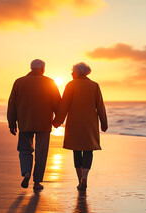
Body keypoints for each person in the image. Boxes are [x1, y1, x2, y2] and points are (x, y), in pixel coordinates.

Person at [53, 62, 108, 191]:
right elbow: (100, 106)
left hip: (74, 122)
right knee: (88, 150)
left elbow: (64, 105)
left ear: (77, 72)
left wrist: (57, 122)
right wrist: (104, 123)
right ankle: (85, 177)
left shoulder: (71, 85)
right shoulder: (94, 85)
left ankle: (79, 180)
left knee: (76, 150)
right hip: (90, 123)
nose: (71, 74)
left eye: (72, 72)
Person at [7, 59, 61, 189]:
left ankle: (26, 173)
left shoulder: (19, 82)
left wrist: (12, 123)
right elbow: (58, 104)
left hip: (25, 123)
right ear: (43, 69)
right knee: (41, 153)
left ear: (31, 68)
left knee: (25, 149)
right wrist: (57, 121)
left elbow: (12, 104)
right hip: (44, 123)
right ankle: (37, 182)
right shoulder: (50, 82)